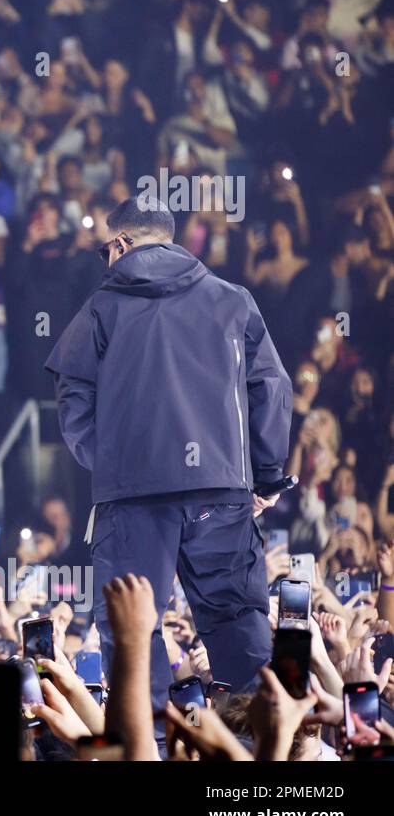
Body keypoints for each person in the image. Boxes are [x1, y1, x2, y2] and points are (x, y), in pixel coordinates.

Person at [45, 195, 292, 712]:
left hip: (133, 497)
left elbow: (72, 396)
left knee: (133, 628)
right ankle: (260, 743)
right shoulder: (231, 299)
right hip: (220, 491)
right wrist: (265, 476)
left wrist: (109, 459)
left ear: (120, 244)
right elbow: (270, 386)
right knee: (235, 620)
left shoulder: (100, 307)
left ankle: (150, 745)